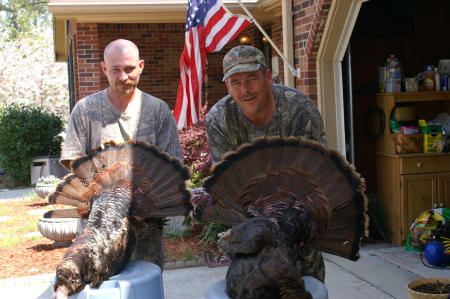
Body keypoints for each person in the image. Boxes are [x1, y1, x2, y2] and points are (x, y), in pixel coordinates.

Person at [205, 45, 327, 282]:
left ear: (268, 77)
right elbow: (228, 182)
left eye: (252, 78)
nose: (245, 89)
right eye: (236, 82)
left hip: (299, 212)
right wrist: (260, 224)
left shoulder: (300, 109)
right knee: (254, 282)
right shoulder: (219, 119)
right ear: (228, 87)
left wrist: (293, 220)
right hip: (251, 215)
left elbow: (317, 173)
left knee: (304, 285)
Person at [60, 39, 183, 270]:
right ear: (104, 68)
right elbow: (74, 163)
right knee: (100, 288)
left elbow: (172, 168)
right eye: (115, 70)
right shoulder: (85, 110)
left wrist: (144, 205)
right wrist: (106, 201)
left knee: (144, 289)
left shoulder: (158, 111)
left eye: (129, 69)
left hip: (145, 229)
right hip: (97, 228)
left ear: (141, 66)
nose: (123, 77)